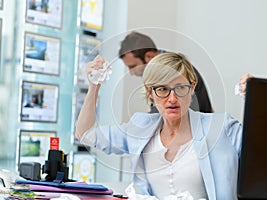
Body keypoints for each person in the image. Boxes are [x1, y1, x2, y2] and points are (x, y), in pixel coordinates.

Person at [76, 52, 252, 199]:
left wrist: (257, 97)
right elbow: (86, 134)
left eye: (180, 88)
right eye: (162, 89)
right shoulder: (140, 127)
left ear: (192, 88)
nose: (172, 98)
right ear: (149, 92)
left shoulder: (221, 127)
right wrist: (94, 86)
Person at [118, 31, 213, 113]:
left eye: (133, 66)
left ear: (149, 56)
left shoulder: (176, 70)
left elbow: (177, 115)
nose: (131, 72)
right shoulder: (158, 72)